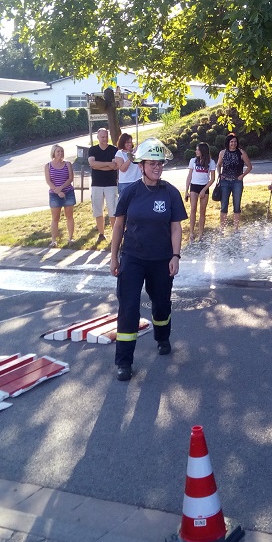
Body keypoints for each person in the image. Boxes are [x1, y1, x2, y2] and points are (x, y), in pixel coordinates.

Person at [109, 138, 187, 381]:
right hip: (132, 257)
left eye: (160, 163)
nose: (157, 167)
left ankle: (162, 337)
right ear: (141, 166)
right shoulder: (130, 192)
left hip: (161, 259)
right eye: (152, 163)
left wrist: (175, 255)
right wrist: (114, 257)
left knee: (161, 303)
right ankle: (124, 361)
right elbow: (118, 226)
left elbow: (176, 227)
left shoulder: (170, 193)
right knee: (128, 307)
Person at [216, 133, 253, 233]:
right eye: (231, 142)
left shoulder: (241, 153)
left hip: (237, 182)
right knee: (224, 205)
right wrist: (220, 174)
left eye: (235, 141)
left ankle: (236, 228)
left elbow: (249, 166)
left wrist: (242, 175)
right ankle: (222, 228)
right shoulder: (223, 153)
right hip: (225, 182)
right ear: (228, 143)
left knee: (237, 205)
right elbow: (218, 165)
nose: (233, 144)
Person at [88, 128, 119, 244]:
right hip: (97, 184)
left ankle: (114, 234)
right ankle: (101, 234)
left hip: (111, 184)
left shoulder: (114, 149)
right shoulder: (93, 150)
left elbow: (114, 166)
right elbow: (92, 163)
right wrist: (107, 164)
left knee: (113, 210)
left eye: (106, 136)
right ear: (98, 137)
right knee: (98, 210)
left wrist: (99, 166)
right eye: (102, 137)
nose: (105, 139)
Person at [44, 144, 75, 247]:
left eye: (61, 151)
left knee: (69, 216)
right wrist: (57, 191)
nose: (60, 153)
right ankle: (53, 240)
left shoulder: (67, 164)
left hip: (68, 192)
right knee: (55, 217)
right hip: (54, 194)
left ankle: (70, 238)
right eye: (58, 151)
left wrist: (61, 188)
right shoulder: (48, 166)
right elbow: (48, 181)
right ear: (53, 153)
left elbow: (70, 178)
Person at [184, 142, 216, 242]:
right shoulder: (193, 161)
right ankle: (191, 233)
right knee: (193, 209)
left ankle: (201, 234)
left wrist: (204, 190)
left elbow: (212, 178)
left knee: (202, 211)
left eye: (198, 149)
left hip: (204, 187)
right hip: (194, 186)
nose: (196, 151)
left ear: (203, 150)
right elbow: (189, 176)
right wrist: (186, 190)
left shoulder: (211, 162)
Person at [114, 132, 142, 197]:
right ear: (122, 143)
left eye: (130, 142)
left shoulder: (137, 153)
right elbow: (123, 169)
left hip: (138, 181)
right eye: (127, 142)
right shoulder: (119, 153)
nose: (129, 144)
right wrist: (131, 156)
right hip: (125, 183)